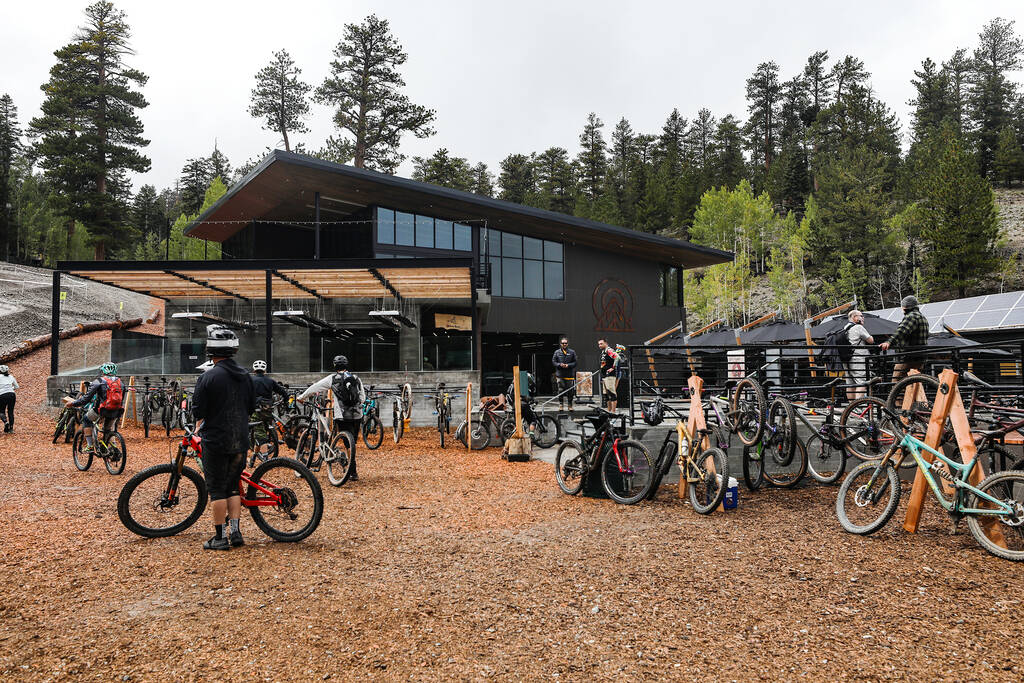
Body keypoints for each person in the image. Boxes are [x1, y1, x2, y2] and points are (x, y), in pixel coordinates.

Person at [191, 325, 255, 551]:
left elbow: (198, 408)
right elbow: (251, 406)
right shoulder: (246, 376)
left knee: (217, 489)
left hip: (216, 439)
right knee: (233, 487)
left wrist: (200, 423)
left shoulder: (208, 377)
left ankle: (219, 538)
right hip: (240, 438)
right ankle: (236, 532)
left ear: (211, 350)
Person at [297, 354, 366, 481]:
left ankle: (352, 470)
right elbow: (362, 397)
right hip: (357, 414)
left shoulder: (332, 378)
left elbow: (315, 387)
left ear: (335, 366)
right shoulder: (356, 378)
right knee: (352, 443)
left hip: (342, 415)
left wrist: (301, 397)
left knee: (346, 441)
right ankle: (353, 471)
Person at [63, 362, 124, 454]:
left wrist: (73, 403)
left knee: (86, 419)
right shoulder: (120, 382)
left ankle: (90, 446)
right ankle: (113, 449)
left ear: (102, 371)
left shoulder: (99, 381)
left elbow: (85, 399)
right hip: (117, 411)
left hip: (102, 410)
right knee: (108, 429)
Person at [880, 295, 929, 380]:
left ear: (905, 307)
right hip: (920, 357)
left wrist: (889, 342)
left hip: (908, 357)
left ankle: (898, 394)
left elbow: (901, 331)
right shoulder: (923, 317)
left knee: (897, 382)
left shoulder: (912, 316)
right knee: (913, 384)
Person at [844, 310, 874, 400]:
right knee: (862, 382)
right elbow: (871, 340)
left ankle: (851, 409)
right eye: (861, 316)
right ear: (854, 317)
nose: (863, 318)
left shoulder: (845, 327)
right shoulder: (858, 327)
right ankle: (859, 407)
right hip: (858, 359)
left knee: (850, 384)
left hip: (847, 360)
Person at [551, 337, 577, 411]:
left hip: (569, 375)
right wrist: (559, 364)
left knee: (570, 391)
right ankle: (561, 405)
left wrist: (568, 365)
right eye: (563, 343)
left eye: (565, 343)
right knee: (560, 390)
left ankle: (570, 405)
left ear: (567, 344)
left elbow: (575, 362)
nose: (564, 344)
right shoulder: (557, 352)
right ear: (560, 344)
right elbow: (553, 362)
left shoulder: (572, 352)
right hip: (560, 375)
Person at [597, 339, 619, 411]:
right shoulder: (603, 352)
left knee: (611, 393)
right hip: (604, 376)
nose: (599, 345)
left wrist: (613, 367)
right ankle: (609, 412)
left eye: (601, 344)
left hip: (610, 376)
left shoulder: (609, 350)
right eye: (599, 344)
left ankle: (613, 412)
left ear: (606, 343)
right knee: (606, 395)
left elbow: (617, 357)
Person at [0, 365, 19, 433]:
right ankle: (11, 429)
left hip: (2, 395)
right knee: (10, 411)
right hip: (12, 394)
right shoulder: (11, 376)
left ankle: (5, 422)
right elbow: (17, 386)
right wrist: (11, 389)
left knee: (1, 411)